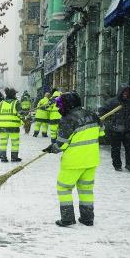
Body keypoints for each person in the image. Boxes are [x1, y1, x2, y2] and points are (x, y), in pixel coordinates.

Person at [43, 92, 104, 227]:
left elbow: (61, 145)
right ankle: (87, 218)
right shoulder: (92, 115)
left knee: (64, 189)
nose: (59, 108)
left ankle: (67, 218)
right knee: (86, 190)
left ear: (68, 105)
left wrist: (52, 148)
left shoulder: (67, 120)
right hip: (91, 160)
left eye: (61, 105)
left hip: (73, 162)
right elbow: (102, 132)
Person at [98, 84, 130, 172]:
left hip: (128, 129)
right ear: (121, 92)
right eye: (124, 91)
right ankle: (117, 165)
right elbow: (101, 111)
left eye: (128, 92)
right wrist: (111, 119)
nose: (126, 93)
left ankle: (129, 165)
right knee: (115, 148)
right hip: (115, 129)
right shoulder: (112, 102)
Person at [0, 88, 22, 162]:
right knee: (14, 142)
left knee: (3, 142)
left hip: (2, 126)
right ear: (14, 95)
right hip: (13, 126)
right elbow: (21, 114)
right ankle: (14, 157)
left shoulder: (1, 103)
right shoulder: (16, 103)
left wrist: (2, 120)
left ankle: (3, 157)